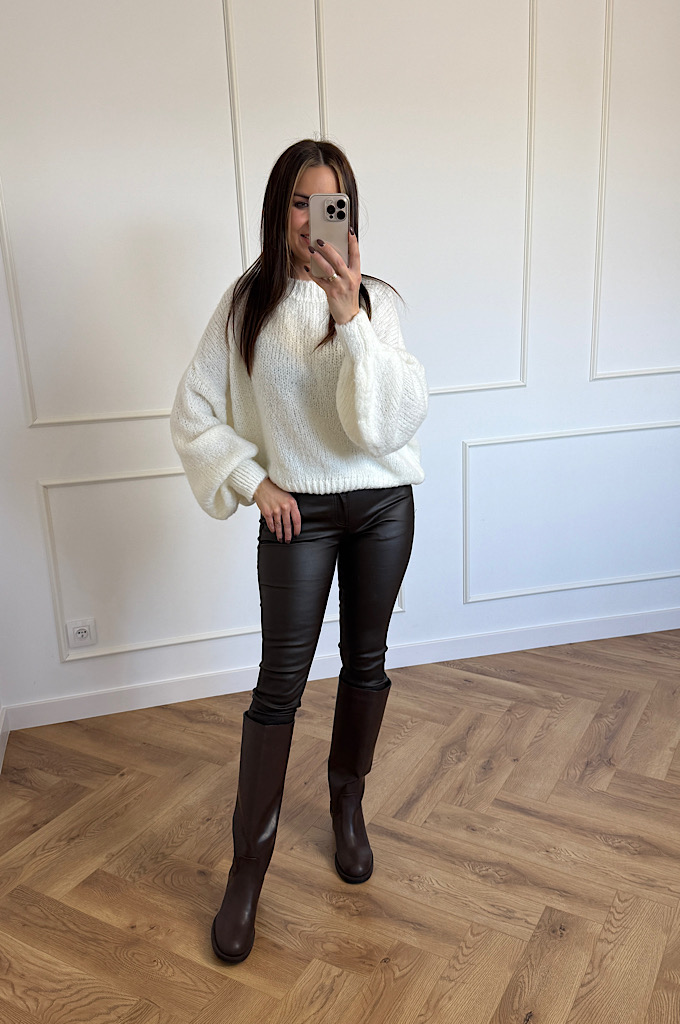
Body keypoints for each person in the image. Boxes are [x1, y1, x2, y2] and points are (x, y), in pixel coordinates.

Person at [170, 138, 428, 964]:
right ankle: (247, 871)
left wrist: (350, 320)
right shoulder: (246, 304)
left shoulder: (376, 301)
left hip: (383, 506)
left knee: (366, 663)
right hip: (298, 518)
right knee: (278, 686)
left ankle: (347, 806)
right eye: (301, 202)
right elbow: (193, 411)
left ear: (348, 211)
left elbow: (386, 425)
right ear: (280, 209)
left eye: (332, 202)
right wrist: (254, 483)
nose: (315, 219)